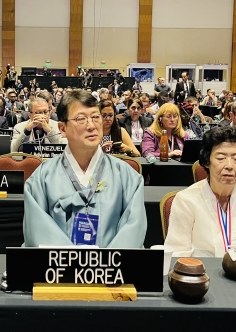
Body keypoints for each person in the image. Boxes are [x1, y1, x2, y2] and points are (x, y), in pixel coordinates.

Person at [23, 90, 146, 247]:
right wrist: (75, 263)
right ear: (62, 128)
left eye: (96, 117)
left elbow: (133, 231)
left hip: (113, 269)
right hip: (58, 269)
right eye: (81, 119)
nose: (91, 126)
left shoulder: (127, 176)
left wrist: (103, 265)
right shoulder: (42, 178)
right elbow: (37, 232)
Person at [165, 127, 236, 257]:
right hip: (202, 275)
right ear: (207, 161)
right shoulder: (186, 200)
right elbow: (177, 255)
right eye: (221, 158)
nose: (229, 165)